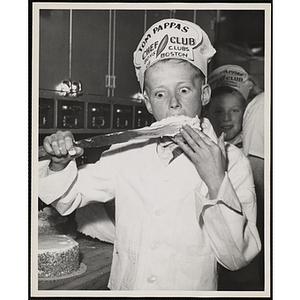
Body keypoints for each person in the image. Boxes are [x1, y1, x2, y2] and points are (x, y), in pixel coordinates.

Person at [38, 19, 261, 291]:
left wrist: (216, 179)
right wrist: (59, 163)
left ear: (204, 95)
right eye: (160, 94)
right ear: (147, 103)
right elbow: (66, 198)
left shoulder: (233, 162)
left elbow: (236, 258)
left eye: (184, 90)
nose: (173, 103)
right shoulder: (125, 152)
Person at [205, 65, 253, 148]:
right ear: (206, 113)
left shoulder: (253, 147)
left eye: (234, 111)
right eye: (219, 111)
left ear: (245, 112)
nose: (226, 118)